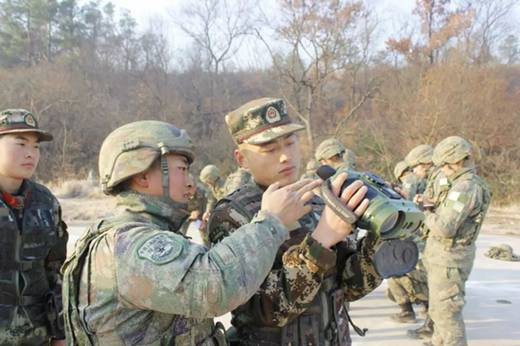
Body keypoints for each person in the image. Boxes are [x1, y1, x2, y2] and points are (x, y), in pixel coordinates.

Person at [61, 120, 321, 345]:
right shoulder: (128, 246)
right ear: (142, 176)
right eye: (182, 169)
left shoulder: (141, 236)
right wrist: (271, 222)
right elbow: (214, 288)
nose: (190, 182)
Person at [208, 97, 382, 345]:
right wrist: (320, 241)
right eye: (269, 149)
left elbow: (350, 287)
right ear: (241, 159)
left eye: (290, 143)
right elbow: (262, 310)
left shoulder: (321, 198)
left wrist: (382, 236)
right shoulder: (232, 216)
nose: (285, 157)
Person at [0, 109, 68, 346]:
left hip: (36, 336)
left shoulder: (45, 202)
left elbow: (56, 271)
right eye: (20, 144)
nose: (30, 154)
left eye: (36, 147)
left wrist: (59, 333)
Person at [421, 136, 490, 346]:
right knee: (438, 310)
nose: (442, 169)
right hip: (443, 257)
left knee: (447, 315)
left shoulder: (465, 188)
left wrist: (425, 212)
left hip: (450, 259)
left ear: (457, 161)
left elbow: (445, 228)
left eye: (445, 164)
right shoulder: (458, 184)